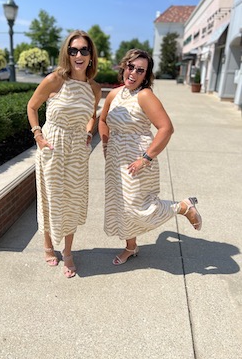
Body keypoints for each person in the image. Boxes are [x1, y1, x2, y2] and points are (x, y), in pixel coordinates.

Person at [98, 49, 202, 265]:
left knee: (138, 207)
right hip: (116, 160)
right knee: (122, 206)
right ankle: (131, 247)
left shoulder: (145, 95)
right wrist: (106, 144)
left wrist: (145, 159)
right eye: (130, 67)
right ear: (123, 67)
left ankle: (182, 206)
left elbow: (166, 128)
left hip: (138, 159)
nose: (133, 73)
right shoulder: (114, 94)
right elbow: (102, 119)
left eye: (140, 70)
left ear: (146, 75)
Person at [27, 30, 101, 277]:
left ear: (91, 56)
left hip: (77, 151)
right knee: (51, 198)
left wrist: (89, 133)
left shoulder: (94, 88)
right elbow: (32, 106)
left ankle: (68, 252)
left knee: (72, 200)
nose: (78, 55)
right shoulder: (55, 80)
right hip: (53, 146)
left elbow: (92, 117)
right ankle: (48, 246)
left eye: (84, 50)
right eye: (73, 50)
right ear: (66, 54)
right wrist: (38, 135)